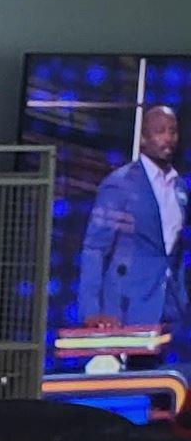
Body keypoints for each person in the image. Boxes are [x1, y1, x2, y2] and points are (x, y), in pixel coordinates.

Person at [74, 103, 186, 340]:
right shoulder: (120, 185)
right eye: (160, 131)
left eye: (173, 131)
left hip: (171, 309)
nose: (168, 138)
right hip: (128, 308)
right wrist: (91, 311)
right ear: (144, 138)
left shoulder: (180, 188)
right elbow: (95, 248)